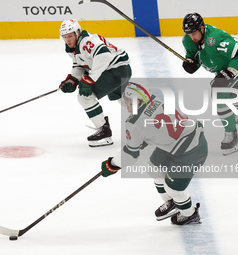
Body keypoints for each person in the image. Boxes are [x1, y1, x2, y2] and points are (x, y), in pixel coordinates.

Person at [100, 82, 208, 225]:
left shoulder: (134, 124)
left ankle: (190, 214)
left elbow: (130, 156)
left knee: (173, 188)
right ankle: (172, 202)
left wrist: (112, 164)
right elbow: (156, 128)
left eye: (128, 101)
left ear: (137, 100)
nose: (126, 104)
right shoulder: (155, 100)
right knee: (153, 169)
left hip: (191, 149)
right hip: (177, 142)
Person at [181, 13, 238, 156]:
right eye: (189, 34)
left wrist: (229, 72)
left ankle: (231, 135)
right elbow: (195, 57)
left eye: (194, 33)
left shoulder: (214, 40)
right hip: (223, 68)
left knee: (220, 93)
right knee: (231, 91)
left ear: (202, 28)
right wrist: (191, 63)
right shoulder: (188, 40)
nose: (192, 37)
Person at [58, 19, 132, 147]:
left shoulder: (87, 42)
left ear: (77, 33)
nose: (68, 40)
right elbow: (80, 65)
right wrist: (72, 79)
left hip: (114, 71)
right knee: (121, 96)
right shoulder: (74, 46)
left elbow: (104, 56)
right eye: (65, 37)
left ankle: (104, 132)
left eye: (70, 36)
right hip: (121, 70)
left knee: (85, 97)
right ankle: (146, 127)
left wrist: (89, 80)